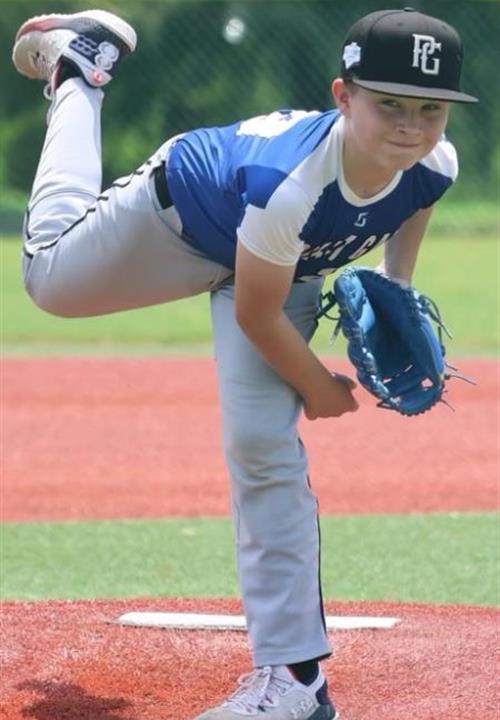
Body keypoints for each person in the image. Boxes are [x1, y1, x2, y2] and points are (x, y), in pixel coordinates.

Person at [12, 7, 477, 719]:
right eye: (390, 104)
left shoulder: (435, 162)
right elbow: (256, 317)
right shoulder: (290, 181)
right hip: (181, 220)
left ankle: (295, 682)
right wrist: (319, 387)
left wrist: (397, 284)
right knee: (49, 280)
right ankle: (80, 69)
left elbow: (414, 198)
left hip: (280, 264)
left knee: (262, 444)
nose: (411, 126)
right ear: (343, 96)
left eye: (429, 109)